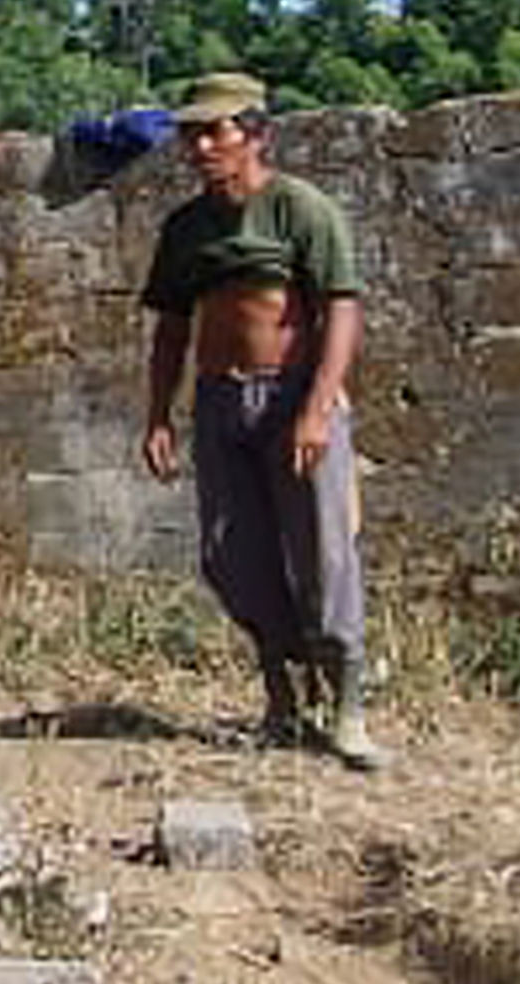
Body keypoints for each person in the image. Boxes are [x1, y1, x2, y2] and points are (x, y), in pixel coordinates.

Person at [134, 70, 379, 767]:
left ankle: (348, 706)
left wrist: (317, 406)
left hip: (294, 397)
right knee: (229, 553)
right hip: (219, 403)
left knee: (324, 552)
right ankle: (283, 695)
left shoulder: (300, 209)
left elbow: (340, 308)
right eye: (193, 133)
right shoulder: (185, 229)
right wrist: (159, 414)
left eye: (218, 131)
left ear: (256, 134)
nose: (203, 145)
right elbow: (172, 328)